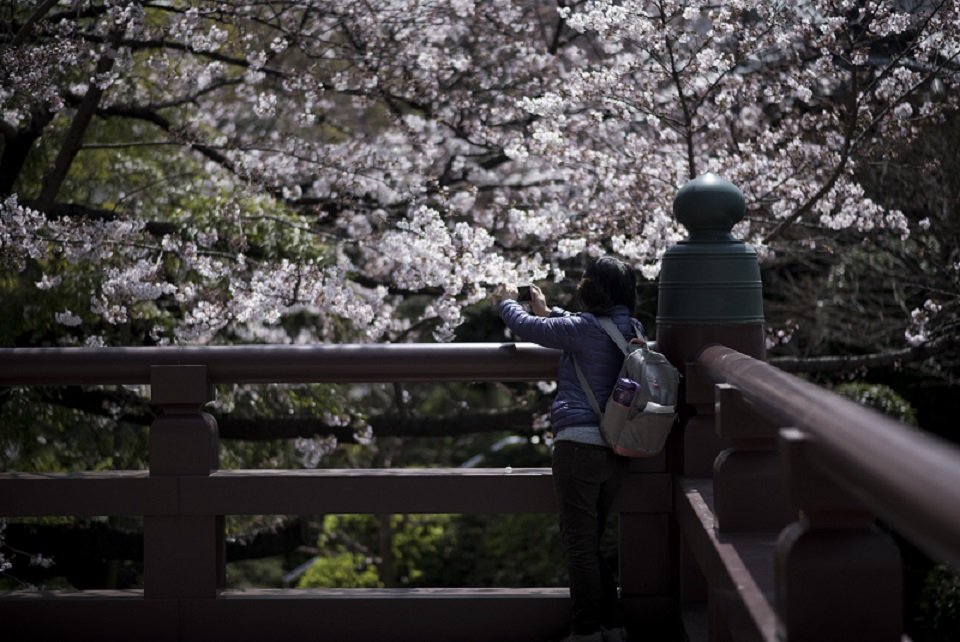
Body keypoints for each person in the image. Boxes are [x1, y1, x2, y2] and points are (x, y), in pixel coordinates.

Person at [493, 256, 642, 642]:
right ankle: (614, 625)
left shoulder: (584, 328)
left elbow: (527, 327)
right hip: (618, 448)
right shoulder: (634, 328)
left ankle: (588, 630)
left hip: (579, 446)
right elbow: (585, 329)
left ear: (595, 288)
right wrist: (550, 311)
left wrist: (507, 302)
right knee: (591, 540)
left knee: (579, 544)